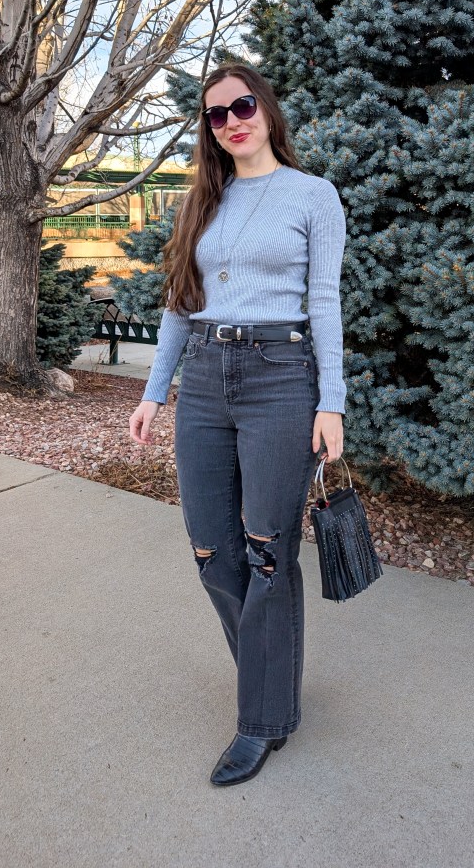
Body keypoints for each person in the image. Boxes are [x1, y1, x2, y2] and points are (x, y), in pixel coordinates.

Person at [129, 63, 346, 786]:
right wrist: (153, 394)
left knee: (266, 550)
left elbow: (324, 304)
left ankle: (259, 717)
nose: (231, 121)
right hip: (203, 380)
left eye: (242, 105)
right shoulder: (204, 201)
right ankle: (271, 685)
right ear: (209, 130)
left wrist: (332, 399)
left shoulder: (312, 195)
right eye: (216, 115)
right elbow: (177, 302)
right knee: (210, 548)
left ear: (266, 109)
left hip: (279, 377)